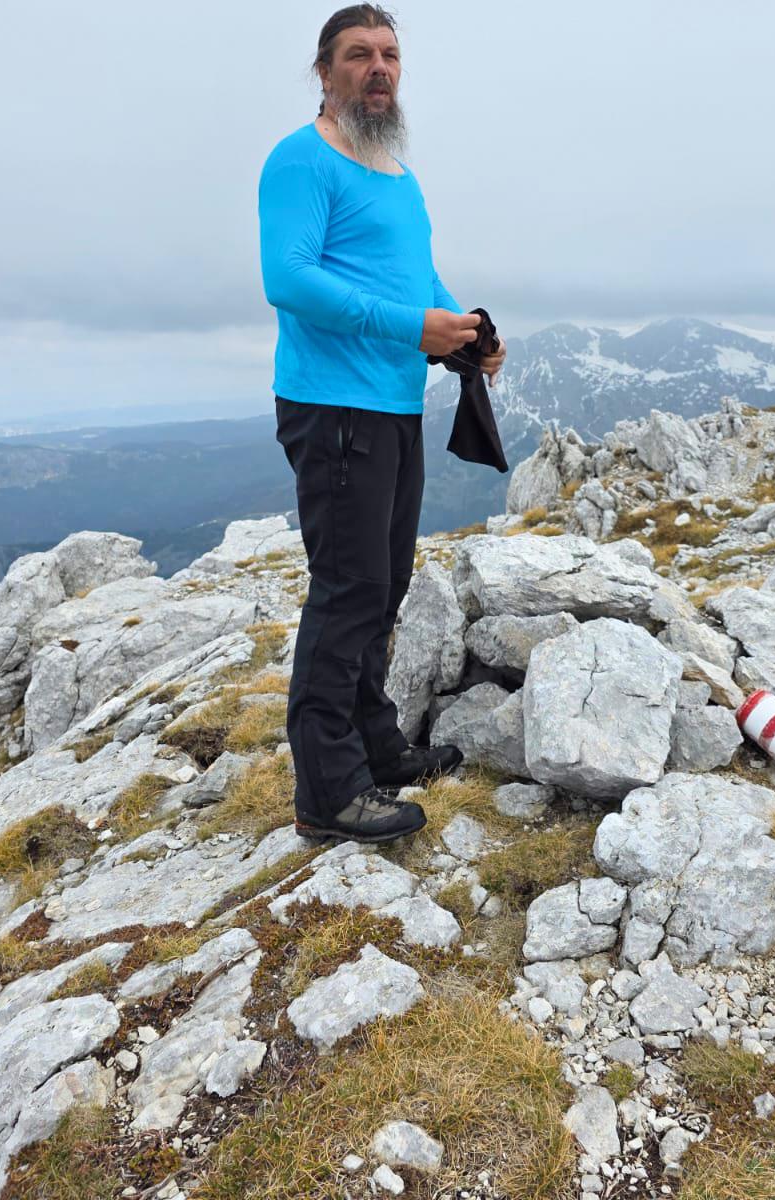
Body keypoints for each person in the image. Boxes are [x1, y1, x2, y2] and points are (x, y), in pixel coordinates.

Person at [258, 4, 506, 844]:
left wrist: (462, 332)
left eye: (390, 55)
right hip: (334, 407)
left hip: (392, 405)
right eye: (359, 54)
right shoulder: (301, 160)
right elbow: (289, 278)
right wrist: (411, 328)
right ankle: (327, 793)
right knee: (349, 590)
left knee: (385, 583)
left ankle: (376, 748)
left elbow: (416, 277)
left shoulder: (395, 171)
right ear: (323, 71)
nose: (379, 68)